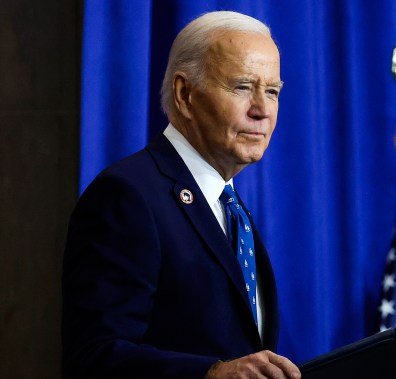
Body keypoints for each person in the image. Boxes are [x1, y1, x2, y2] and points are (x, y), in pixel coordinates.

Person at [62, 11, 300, 379]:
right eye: (241, 87)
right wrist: (211, 374)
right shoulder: (128, 196)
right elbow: (94, 357)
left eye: (272, 91)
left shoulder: (231, 209)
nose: (263, 110)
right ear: (185, 94)